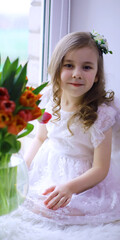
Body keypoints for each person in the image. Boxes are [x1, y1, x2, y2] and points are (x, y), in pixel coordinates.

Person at [22, 31, 120, 225]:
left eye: (86, 67)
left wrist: (70, 188)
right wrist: (24, 167)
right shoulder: (49, 98)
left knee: (61, 213)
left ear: (97, 75)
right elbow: (41, 138)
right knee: (29, 203)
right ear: (57, 68)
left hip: (84, 181)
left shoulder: (101, 115)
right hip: (50, 167)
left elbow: (101, 168)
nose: (77, 73)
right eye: (69, 65)